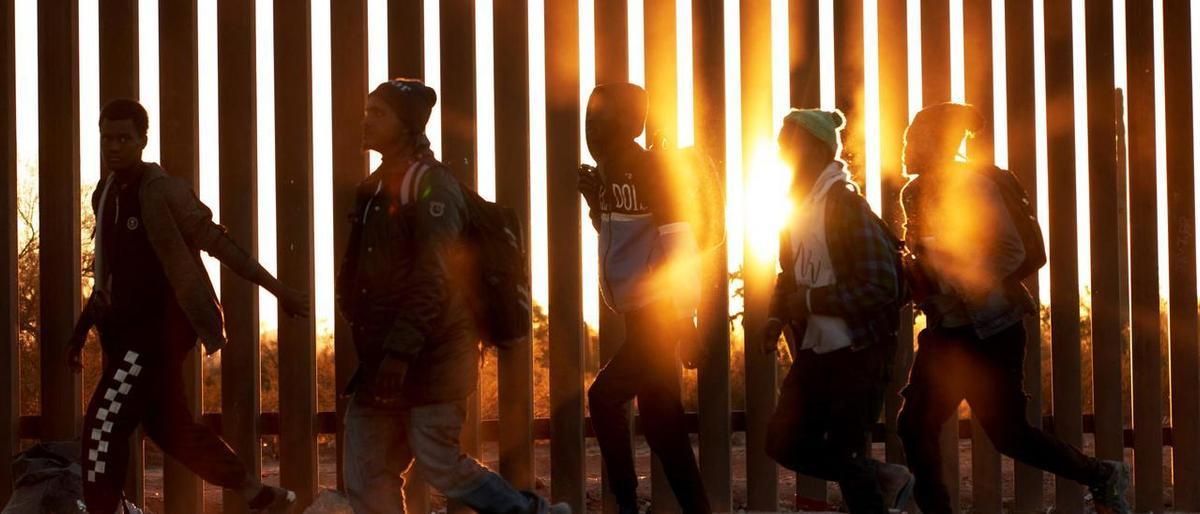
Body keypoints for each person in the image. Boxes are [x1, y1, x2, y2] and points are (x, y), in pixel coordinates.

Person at [68, 98, 309, 514]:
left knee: (103, 426)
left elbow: (218, 242)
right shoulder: (105, 195)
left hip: (156, 335)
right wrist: (80, 333)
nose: (114, 147)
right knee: (171, 428)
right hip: (127, 334)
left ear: (143, 140)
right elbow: (107, 278)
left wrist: (277, 289)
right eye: (107, 138)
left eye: (124, 138)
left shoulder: (162, 190)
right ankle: (260, 494)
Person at [337, 78, 567, 514]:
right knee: (366, 473)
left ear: (406, 124)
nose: (365, 120)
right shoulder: (374, 188)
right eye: (366, 110)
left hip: (434, 355)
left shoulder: (432, 186)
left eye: (378, 112)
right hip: (383, 358)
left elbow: (435, 278)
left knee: (441, 464)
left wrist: (399, 354)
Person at [896, 102, 1132, 514]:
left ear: (937, 141)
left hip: (991, 328)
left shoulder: (972, 184)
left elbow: (1013, 251)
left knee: (1009, 435)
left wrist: (948, 279)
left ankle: (1103, 475)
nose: (906, 143)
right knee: (914, 426)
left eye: (914, 135)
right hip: (946, 330)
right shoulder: (914, 192)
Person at [760, 109, 914, 514]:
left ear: (813, 149)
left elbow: (882, 285)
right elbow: (790, 276)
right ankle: (882, 476)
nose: (778, 152)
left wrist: (810, 302)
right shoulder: (796, 209)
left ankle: (873, 478)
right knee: (781, 441)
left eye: (785, 144)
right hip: (818, 350)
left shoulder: (845, 206)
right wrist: (776, 318)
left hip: (859, 352)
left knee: (847, 458)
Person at [578, 82, 710, 514]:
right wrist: (595, 205)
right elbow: (624, 238)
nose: (591, 127)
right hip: (640, 315)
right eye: (589, 118)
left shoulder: (652, 170)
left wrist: (686, 318)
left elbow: (680, 246)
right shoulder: (609, 175)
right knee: (663, 426)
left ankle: (625, 507)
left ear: (630, 124)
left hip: (661, 315)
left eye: (602, 118)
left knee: (603, 397)